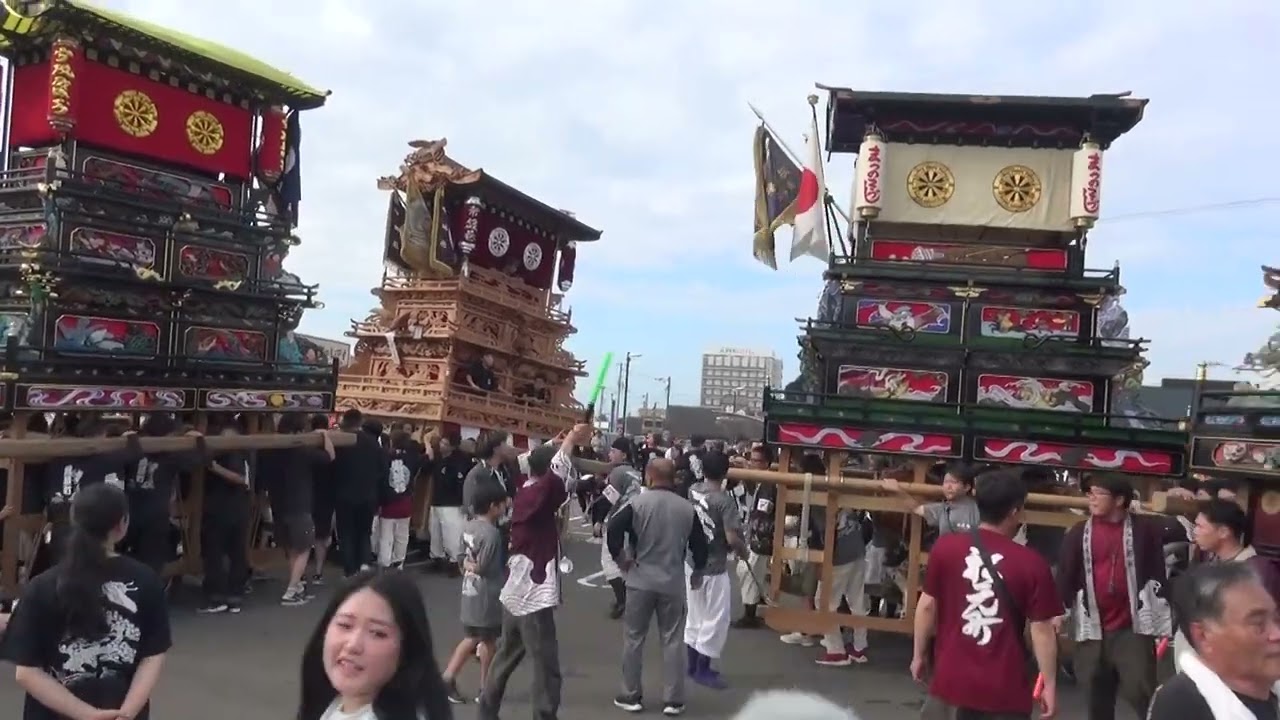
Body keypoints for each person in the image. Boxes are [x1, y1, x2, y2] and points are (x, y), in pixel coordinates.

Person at [4, 483, 171, 720]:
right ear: (122, 524)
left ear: (74, 521)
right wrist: (127, 713)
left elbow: (27, 672)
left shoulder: (41, 586)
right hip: (122, 709)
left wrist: (87, 715)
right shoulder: (146, 580)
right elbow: (152, 655)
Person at [913, 468, 1062, 720]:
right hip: (1004, 687)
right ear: (1015, 511)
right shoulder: (1032, 563)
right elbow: (1042, 630)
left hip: (951, 680)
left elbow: (927, 605)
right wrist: (1049, 683)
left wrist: (918, 654)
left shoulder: (945, 548)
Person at [477, 423, 590, 720]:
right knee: (545, 662)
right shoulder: (540, 494)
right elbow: (557, 472)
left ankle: (486, 709)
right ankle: (544, 714)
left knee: (507, 654)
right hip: (533, 593)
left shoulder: (524, 490)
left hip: (515, 588)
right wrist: (570, 441)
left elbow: (541, 464)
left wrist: (559, 442)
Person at [1057, 474, 1170, 720]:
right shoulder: (1078, 532)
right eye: (1089, 493)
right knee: (1094, 692)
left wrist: (1162, 612)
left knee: (1140, 690)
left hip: (1132, 626)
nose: (1092, 498)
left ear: (1119, 500)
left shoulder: (1144, 530)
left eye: (1098, 493)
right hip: (1092, 625)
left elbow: (1158, 570)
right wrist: (1058, 611)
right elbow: (1066, 574)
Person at [608, 457, 708, 716]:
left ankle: (630, 694)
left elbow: (613, 530)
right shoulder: (687, 508)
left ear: (649, 476)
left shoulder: (637, 504)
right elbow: (700, 544)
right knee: (672, 640)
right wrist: (698, 571)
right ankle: (673, 699)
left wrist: (621, 558)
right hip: (672, 581)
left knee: (634, 638)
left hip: (640, 579)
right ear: (673, 478)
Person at [296, 570, 453, 720]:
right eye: (345, 625)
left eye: (378, 633)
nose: (353, 645)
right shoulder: (331, 701)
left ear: (407, 649)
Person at [1148, 562, 1280, 720]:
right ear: (1203, 636)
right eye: (1258, 624)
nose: (1277, 634)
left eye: (1277, 619)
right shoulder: (1180, 707)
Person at [1172, 499, 1280, 671]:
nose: (1195, 532)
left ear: (1223, 532)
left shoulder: (1256, 571)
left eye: (1200, 526)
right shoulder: (1208, 561)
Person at [684, 450, 746, 689]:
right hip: (715, 565)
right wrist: (743, 550)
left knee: (695, 615)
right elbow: (732, 537)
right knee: (716, 619)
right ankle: (703, 669)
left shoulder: (693, 490)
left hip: (691, 561)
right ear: (725, 472)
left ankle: (692, 665)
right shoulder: (724, 501)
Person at [442, 482, 509, 704]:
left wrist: (467, 566)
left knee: (473, 637)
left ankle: (450, 679)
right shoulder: (492, 534)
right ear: (492, 506)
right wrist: (475, 567)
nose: (505, 507)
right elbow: (484, 566)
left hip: (470, 590)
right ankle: (484, 687)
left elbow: (461, 558)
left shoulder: (468, 527)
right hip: (487, 594)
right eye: (502, 504)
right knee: (487, 641)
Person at [260, 414, 336, 605]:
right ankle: (292, 590)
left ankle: (298, 585)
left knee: (292, 547)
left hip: (278, 504)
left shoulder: (271, 450)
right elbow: (330, 456)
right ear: (300, 431)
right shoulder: (302, 450)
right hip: (299, 505)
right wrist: (324, 436)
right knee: (303, 548)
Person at [200, 414, 253, 614]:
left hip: (224, 508)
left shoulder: (234, 454)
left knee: (218, 553)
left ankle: (219, 597)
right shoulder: (243, 451)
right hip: (235, 508)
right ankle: (234, 596)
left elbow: (240, 478)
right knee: (235, 553)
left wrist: (214, 467)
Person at [333, 411, 389, 577]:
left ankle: (350, 570)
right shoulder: (374, 444)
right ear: (360, 422)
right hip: (369, 496)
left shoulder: (341, 441)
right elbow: (383, 471)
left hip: (344, 495)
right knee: (364, 532)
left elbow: (333, 468)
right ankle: (364, 563)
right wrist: (381, 498)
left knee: (346, 533)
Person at [599, 437, 644, 620]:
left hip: (619, 518)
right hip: (634, 519)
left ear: (623, 454)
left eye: (613, 451)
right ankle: (630, 598)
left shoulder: (618, 472)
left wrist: (597, 519)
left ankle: (622, 599)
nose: (610, 454)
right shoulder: (635, 472)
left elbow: (608, 499)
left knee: (609, 561)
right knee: (626, 560)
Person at [734, 444, 775, 630]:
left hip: (760, 539)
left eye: (757, 461)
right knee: (751, 573)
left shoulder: (768, 486)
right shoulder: (759, 483)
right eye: (751, 459)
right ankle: (754, 608)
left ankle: (750, 614)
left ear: (766, 463)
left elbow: (763, 515)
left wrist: (752, 539)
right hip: (754, 536)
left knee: (748, 573)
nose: (752, 464)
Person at [882, 462, 980, 536]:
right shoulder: (942, 509)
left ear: (966, 487)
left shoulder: (978, 509)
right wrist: (897, 490)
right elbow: (917, 508)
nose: (948, 487)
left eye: (954, 482)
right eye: (946, 482)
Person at [373, 429, 423, 569]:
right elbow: (425, 460)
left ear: (392, 441)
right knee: (402, 535)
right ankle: (399, 562)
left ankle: (384, 562)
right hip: (405, 501)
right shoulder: (412, 457)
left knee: (386, 535)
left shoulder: (384, 456)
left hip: (387, 502)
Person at [428, 434, 470, 575]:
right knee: (435, 532)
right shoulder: (438, 459)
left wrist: (463, 501)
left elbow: (461, 483)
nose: (441, 446)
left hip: (452, 503)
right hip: (437, 500)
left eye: (445, 444)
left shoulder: (460, 461)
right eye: (441, 442)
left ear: (453, 446)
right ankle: (437, 557)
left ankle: (455, 562)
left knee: (452, 534)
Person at [309, 413, 339, 584]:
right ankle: (318, 571)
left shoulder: (306, 445)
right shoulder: (333, 444)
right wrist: (326, 436)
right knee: (321, 536)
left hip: (307, 494)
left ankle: (301, 573)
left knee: (306, 536)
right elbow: (332, 458)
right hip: (326, 496)